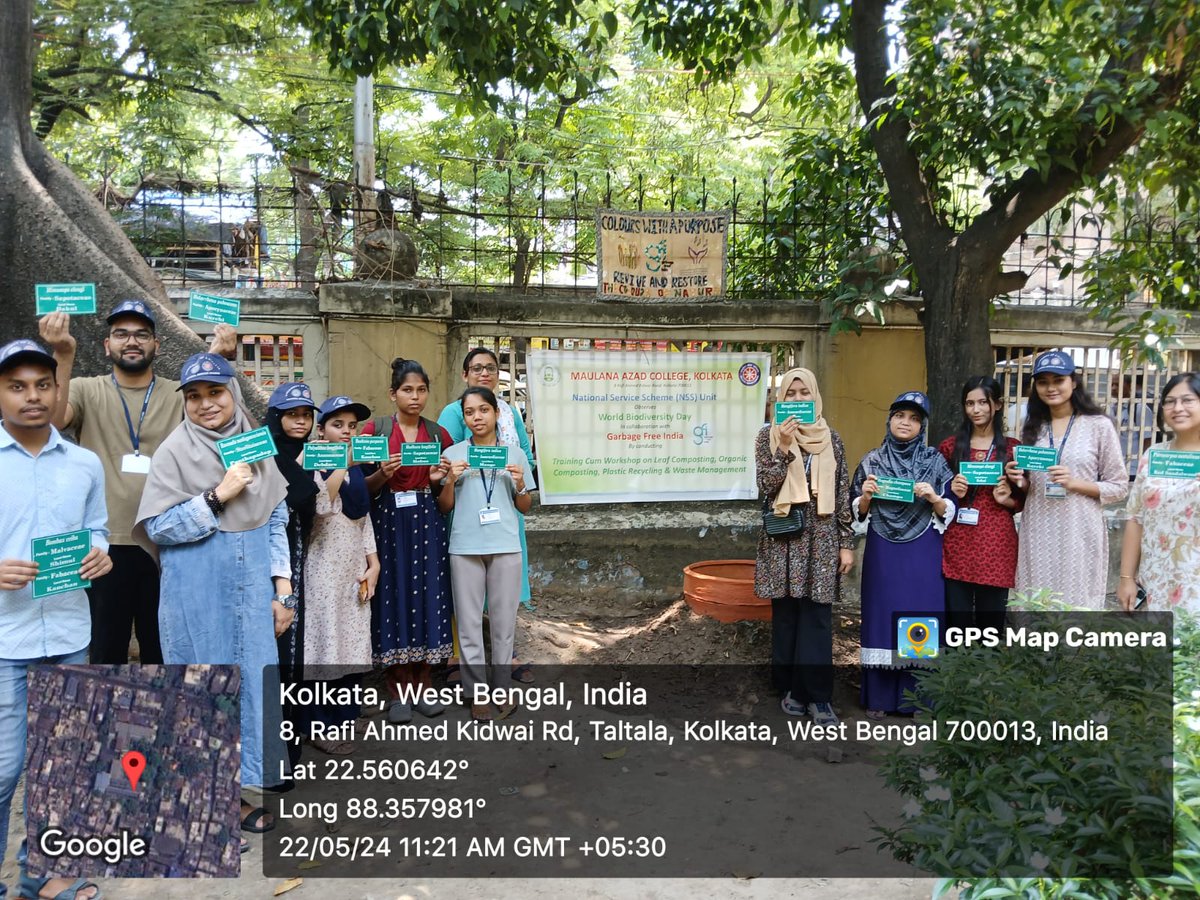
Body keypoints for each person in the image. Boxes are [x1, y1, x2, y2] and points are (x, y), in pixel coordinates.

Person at [133, 352, 294, 839]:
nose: (206, 405)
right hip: (196, 597)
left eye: (216, 392)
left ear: (234, 393)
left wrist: (282, 590)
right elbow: (158, 528)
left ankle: (238, 795)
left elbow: (275, 519)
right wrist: (215, 496)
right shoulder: (173, 453)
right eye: (196, 396)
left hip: (250, 595)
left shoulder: (254, 446)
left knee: (248, 689)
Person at [38, 303, 235, 665]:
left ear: (157, 345)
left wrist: (215, 357)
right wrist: (62, 354)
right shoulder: (86, 388)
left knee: (164, 646)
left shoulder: (179, 394)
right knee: (104, 648)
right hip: (102, 546)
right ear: (106, 345)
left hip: (166, 541)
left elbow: (210, 411)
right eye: (122, 333)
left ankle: (162, 720)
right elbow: (51, 421)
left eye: (142, 334)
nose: (132, 341)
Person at [0, 339, 111, 900]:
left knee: (62, 764)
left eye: (42, 384)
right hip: (5, 640)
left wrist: (100, 551)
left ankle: (41, 876)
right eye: (17, 386)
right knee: (4, 768)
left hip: (68, 632)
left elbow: (96, 527)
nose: (32, 396)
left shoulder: (84, 463)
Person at [754, 368, 853, 726]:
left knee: (817, 617)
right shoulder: (767, 437)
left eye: (804, 393)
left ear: (815, 397)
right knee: (787, 617)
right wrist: (783, 447)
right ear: (780, 401)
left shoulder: (832, 439)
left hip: (822, 538)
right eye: (790, 394)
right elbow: (766, 486)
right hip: (784, 538)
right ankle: (790, 688)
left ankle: (818, 696)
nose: (797, 400)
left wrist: (846, 543)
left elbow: (842, 493)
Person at [361, 359, 454, 724]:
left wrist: (435, 479)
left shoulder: (437, 435)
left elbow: (442, 489)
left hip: (427, 524)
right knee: (393, 599)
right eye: (407, 390)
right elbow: (361, 490)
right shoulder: (375, 430)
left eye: (421, 390)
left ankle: (424, 685)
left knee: (429, 598)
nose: (415, 397)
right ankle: (397, 690)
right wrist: (382, 475)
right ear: (393, 394)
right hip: (387, 524)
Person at [853, 391, 955, 719]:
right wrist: (866, 496)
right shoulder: (871, 461)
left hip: (922, 549)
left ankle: (917, 699)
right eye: (900, 415)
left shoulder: (935, 462)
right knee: (883, 614)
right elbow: (854, 512)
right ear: (890, 419)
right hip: (883, 550)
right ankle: (880, 698)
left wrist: (934, 497)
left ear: (922, 425)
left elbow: (949, 509)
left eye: (914, 418)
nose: (905, 423)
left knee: (918, 614)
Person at [437, 347, 536, 682]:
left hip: (505, 539)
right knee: (467, 620)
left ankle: (502, 682)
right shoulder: (453, 453)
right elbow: (443, 503)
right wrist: (449, 478)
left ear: (497, 413)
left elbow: (526, 503)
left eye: (483, 410)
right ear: (462, 416)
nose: (477, 417)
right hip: (465, 541)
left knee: (504, 618)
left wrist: (521, 484)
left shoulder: (514, 454)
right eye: (470, 412)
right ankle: (475, 688)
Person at [1007, 351, 1128, 608]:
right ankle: (1034, 650)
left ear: (1073, 382)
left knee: (1076, 602)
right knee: (1036, 601)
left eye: (1058, 380)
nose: (1051, 388)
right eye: (1043, 382)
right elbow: (1032, 485)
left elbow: (1118, 486)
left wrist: (1074, 483)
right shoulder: (1032, 426)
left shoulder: (1098, 425)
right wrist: (1018, 479)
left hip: (1079, 528)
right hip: (1038, 527)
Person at [302, 395, 380, 754]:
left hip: (353, 568)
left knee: (350, 644)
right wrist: (340, 465)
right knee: (325, 646)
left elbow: (363, 519)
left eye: (352, 426)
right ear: (322, 430)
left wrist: (373, 563)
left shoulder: (357, 468)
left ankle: (346, 718)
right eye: (338, 425)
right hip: (321, 570)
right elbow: (318, 507)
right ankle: (321, 724)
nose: (347, 432)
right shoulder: (310, 461)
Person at [937, 376, 1023, 631]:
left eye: (983, 402)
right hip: (957, 542)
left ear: (997, 405)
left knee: (991, 626)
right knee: (957, 624)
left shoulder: (1013, 449)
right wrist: (951, 492)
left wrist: (1008, 498)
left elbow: (1025, 499)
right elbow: (936, 495)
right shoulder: (950, 447)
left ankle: (990, 672)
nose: (976, 410)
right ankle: (957, 672)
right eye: (969, 403)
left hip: (997, 543)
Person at [264, 382, 319, 766]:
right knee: (275, 648)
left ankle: (290, 735)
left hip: (299, 558)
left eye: (306, 415)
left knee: (294, 650)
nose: (300, 421)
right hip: (267, 562)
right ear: (276, 418)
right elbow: (298, 494)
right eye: (292, 414)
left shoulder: (315, 452)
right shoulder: (265, 452)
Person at [1118, 372, 1200, 614]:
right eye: (1170, 401)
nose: (1178, 408)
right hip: (1156, 580)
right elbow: (1135, 519)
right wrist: (1126, 578)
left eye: (1187, 400)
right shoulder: (1154, 455)